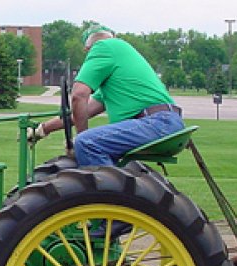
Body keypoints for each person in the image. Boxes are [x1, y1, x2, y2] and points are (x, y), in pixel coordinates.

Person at [31, 24, 184, 166]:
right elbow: (81, 111)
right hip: (164, 121)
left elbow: (78, 95)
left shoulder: (103, 47)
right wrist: (43, 129)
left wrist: (80, 138)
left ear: (87, 49)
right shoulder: (115, 77)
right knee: (87, 142)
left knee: (87, 143)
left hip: (156, 123)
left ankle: (109, 194)